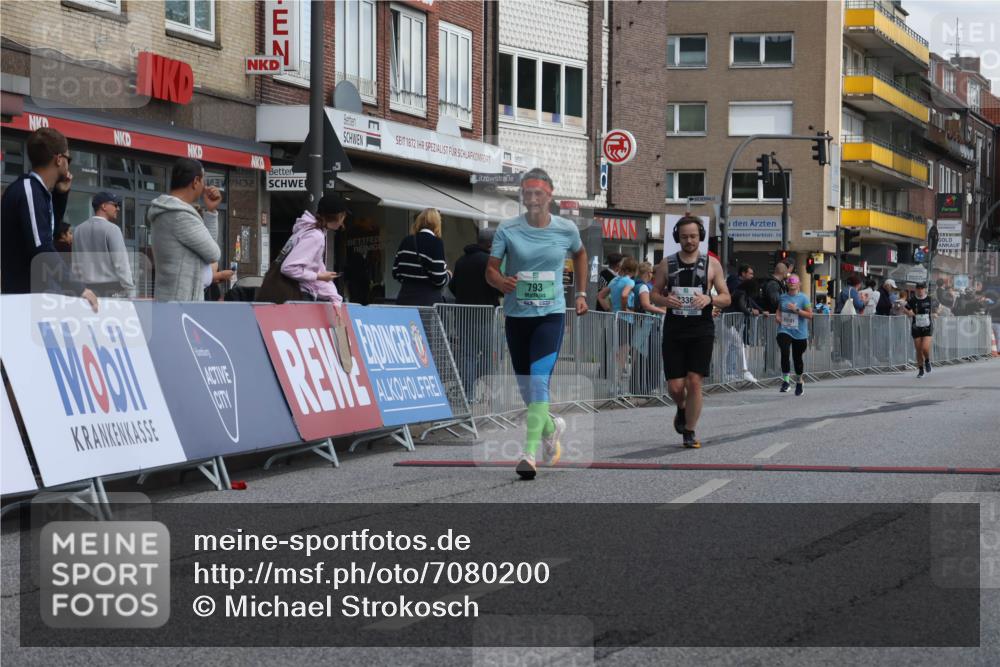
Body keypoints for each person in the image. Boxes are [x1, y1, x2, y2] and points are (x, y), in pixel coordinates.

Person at [485, 168, 589, 480]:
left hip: (551, 315)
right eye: (527, 193)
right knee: (526, 388)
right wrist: (501, 282)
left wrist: (581, 293)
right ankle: (551, 425)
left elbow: (581, 255)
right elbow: (490, 270)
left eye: (538, 193)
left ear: (550, 195)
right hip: (517, 316)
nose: (532, 198)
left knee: (539, 381)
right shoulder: (507, 229)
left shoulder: (566, 228)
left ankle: (528, 454)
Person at [651, 215, 731, 449]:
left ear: (701, 237)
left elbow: (727, 297)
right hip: (675, 328)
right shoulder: (667, 263)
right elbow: (653, 293)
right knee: (676, 386)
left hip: (701, 328)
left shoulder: (712, 265)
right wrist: (665, 299)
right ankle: (682, 407)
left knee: (695, 381)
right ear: (678, 237)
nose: (689, 241)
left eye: (694, 236)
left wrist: (710, 298)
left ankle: (690, 430)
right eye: (685, 236)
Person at [0, 127, 98, 311]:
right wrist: (78, 288)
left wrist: (60, 195)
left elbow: (48, 235)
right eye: (69, 159)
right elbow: (42, 248)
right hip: (24, 301)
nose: (69, 164)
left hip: (31, 298)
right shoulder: (29, 190)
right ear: (59, 159)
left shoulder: (38, 192)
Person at [148, 158, 222, 302]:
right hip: (183, 304)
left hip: (167, 299)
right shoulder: (181, 216)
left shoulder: (164, 211)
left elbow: (208, 249)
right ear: (195, 181)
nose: (204, 187)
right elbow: (213, 253)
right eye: (203, 181)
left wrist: (211, 211)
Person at [280, 195, 350, 303]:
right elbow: (288, 268)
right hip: (299, 296)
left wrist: (334, 296)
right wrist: (319, 276)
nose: (343, 222)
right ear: (338, 217)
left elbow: (316, 266)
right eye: (343, 216)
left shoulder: (308, 230)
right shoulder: (315, 236)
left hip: (296, 294)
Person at [72, 192, 135, 297]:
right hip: (109, 291)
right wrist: (130, 289)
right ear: (104, 206)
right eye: (115, 205)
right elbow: (121, 263)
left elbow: (75, 263)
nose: (118, 208)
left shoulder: (78, 230)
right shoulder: (112, 229)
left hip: (84, 291)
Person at [392, 208, 449, 306]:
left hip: (405, 299)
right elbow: (439, 279)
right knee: (424, 322)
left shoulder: (407, 241)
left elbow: (395, 272)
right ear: (437, 224)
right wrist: (448, 275)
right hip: (426, 302)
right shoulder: (436, 243)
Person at [776, 274, 813, 396]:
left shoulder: (803, 298)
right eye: (789, 281)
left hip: (799, 333)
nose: (791, 283)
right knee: (785, 352)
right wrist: (778, 316)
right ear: (787, 283)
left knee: (797, 359)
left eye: (794, 281)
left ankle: (799, 382)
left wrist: (796, 310)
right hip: (784, 330)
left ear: (799, 284)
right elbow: (779, 309)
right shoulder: (782, 297)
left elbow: (810, 315)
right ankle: (786, 382)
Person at [606, 257, 638, 393]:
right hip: (625, 319)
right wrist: (625, 309)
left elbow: (600, 295)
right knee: (622, 354)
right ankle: (616, 385)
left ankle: (614, 384)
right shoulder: (629, 281)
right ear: (634, 270)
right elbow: (625, 295)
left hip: (615, 317)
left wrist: (610, 308)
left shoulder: (614, 280)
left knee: (616, 353)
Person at [723, 270, 760, 383]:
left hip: (727, 322)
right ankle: (743, 371)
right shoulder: (741, 293)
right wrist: (750, 311)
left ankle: (728, 374)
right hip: (727, 323)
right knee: (736, 346)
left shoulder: (739, 292)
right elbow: (741, 306)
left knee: (731, 348)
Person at [450, 226, 501, 306]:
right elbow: (499, 288)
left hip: (462, 314)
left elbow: (452, 286)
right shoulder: (490, 262)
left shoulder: (460, 260)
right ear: (490, 244)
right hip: (486, 314)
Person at [903, 282, 936, 378]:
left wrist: (935, 313)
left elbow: (939, 307)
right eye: (918, 288)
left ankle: (927, 361)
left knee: (925, 348)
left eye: (922, 288)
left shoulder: (930, 299)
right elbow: (904, 308)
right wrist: (908, 312)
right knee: (918, 349)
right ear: (916, 289)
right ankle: (921, 370)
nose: (920, 290)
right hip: (916, 327)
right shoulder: (912, 300)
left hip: (927, 326)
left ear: (925, 289)